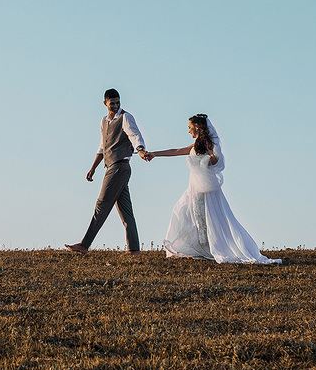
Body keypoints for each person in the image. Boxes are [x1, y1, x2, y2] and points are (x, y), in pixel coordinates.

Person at [145, 114, 281, 264]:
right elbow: (177, 151)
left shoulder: (208, 143)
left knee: (207, 218)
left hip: (205, 188)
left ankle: (211, 248)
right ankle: (199, 247)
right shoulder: (197, 143)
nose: (188, 131)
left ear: (197, 127)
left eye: (190, 127)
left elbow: (216, 161)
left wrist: (210, 153)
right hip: (194, 187)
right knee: (186, 213)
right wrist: (155, 154)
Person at [66, 89, 149, 254]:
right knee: (125, 210)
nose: (116, 106)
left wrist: (140, 149)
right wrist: (93, 168)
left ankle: (84, 245)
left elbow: (134, 135)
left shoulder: (126, 117)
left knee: (101, 205)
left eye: (118, 103)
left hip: (120, 166)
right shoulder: (104, 122)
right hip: (111, 166)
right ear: (105, 103)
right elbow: (102, 147)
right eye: (112, 103)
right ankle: (134, 249)